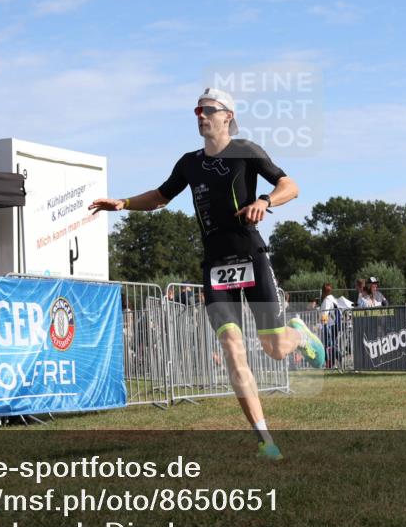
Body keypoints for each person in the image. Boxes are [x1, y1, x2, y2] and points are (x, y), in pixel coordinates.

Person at [89, 87, 324, 461]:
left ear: (227, 115)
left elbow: (290, 186)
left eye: (208, 110)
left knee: (275, 349)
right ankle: (265, 439)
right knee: (232, 348)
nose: (200, 115)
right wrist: (123, 203)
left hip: (250, 255)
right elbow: (161, 196)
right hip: (215, 267)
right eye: (197, 110)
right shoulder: (189, 163)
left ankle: (297, 335)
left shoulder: (247, 151)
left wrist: (264, 201)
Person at [319, 283, 340, 368]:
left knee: (328, 345)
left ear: (323, 291)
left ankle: (331, 362)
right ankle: (334, 362)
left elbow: (325, 314)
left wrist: (323, 326)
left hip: (328, 325)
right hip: (334, 325)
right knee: (332, 344)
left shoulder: (327, 300)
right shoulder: (333, 299)